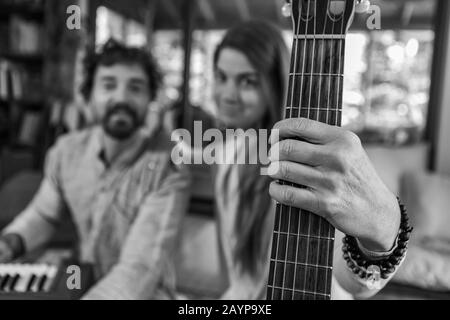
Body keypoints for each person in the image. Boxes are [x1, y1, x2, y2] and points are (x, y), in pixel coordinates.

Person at [209, 20, 404, 299]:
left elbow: (351, 280)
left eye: (247, 81)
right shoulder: (228, 151)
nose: (228, 94)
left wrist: (382, 231)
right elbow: (236, 269)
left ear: (274, 85)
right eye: (221, 76)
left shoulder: (311, 155)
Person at [0, 39, 191, 299]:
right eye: (108, 85)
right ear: (88, 95)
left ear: (150, 99)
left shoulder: (169, 166)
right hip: (80, 280)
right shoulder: (67, 151)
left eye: (135, 87)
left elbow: (140, 268)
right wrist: (11, 243)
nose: (121, 98)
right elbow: (44, 215)